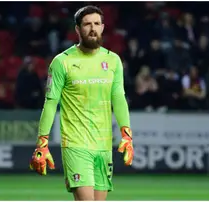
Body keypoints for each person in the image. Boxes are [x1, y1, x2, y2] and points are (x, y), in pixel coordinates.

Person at [29, 5, 134, 201]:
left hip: (103, 145)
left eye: (97, 24)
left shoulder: (113, 61)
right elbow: (51, 103)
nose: (92, 28)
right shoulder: (62, 62)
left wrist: (126, 134)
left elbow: (119, 99)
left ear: (103, 27)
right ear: (77, 29)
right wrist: (42, 143)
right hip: (76, 144)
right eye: (87, 24)